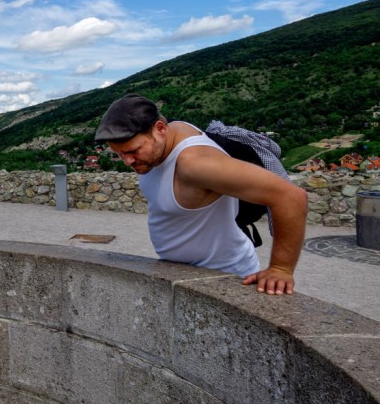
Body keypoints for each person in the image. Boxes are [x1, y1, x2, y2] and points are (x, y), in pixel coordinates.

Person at [95, 94, 308, 295]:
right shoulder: (173, 131)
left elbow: (291, 196)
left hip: (223, 277)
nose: (127, 161)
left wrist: (281, 269)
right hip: (188, 271)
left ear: (160, 128)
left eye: (133, 151)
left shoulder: (195, 164)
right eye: (119, 154)